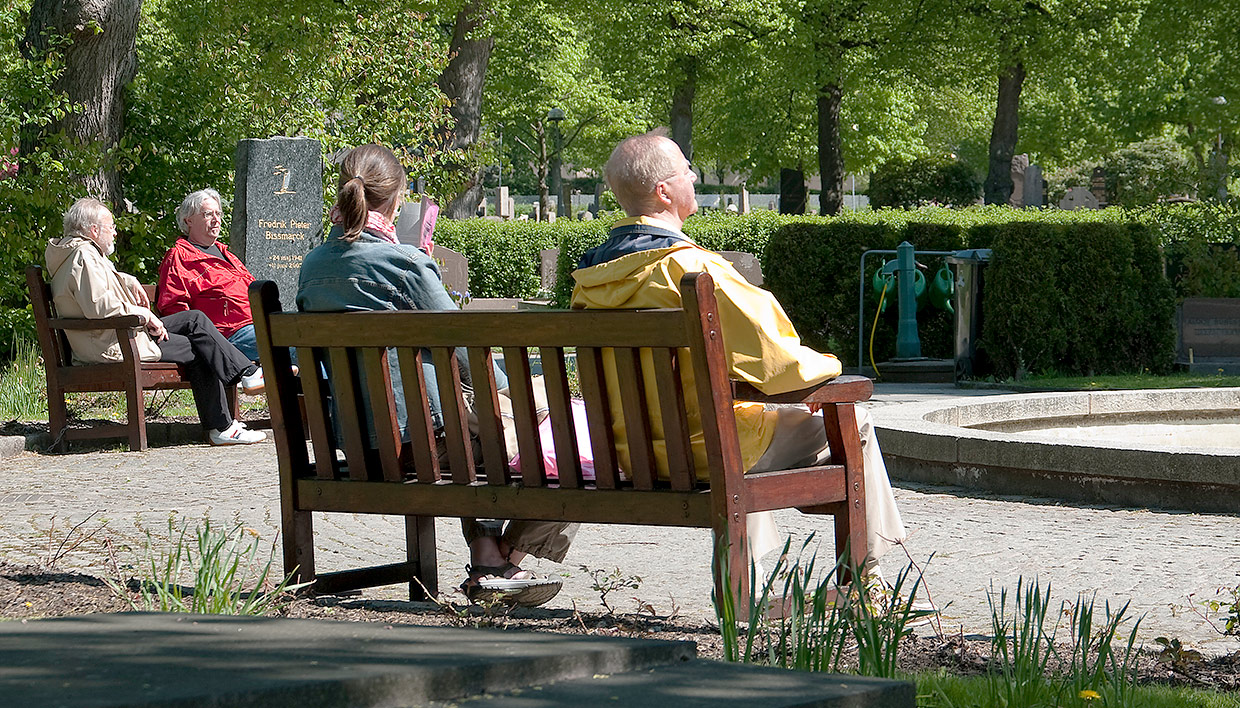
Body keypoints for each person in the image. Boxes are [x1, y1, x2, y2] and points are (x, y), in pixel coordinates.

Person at [570, 132, 906, 576]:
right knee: (853, 419)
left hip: (630, 453)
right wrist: (831, 368)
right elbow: (779, 361)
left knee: (736, 420)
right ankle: (868, 576)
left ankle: (751, 578)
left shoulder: (590, 281)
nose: (693, 177)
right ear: (664, 191)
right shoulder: (694, 269)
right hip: (707, 452)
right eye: (686, 170)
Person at [297, 144, 575, 607]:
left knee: (474, 432)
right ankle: (504, 560)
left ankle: (488, 556)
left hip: (350, 444)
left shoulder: (312, 267)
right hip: (418, 448)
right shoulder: (405, 264)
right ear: (397, 200)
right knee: (558, 440)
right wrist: (518, 390)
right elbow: (466, 354)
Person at [45, 198, 266, 446]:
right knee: (199, 342)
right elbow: (99, 306)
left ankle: (238, 396)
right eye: (111, 227)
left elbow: (96, 290)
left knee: (195, 324)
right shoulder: (84, 256)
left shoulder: (79, 254)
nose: (115, 232)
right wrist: (146, 314)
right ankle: (231, 410)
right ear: (94, 230)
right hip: (112, 343)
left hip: (114, 335)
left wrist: (127, 280)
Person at [157, 189, 260, 362]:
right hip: (227, 335)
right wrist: (203, 343)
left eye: (218, 214)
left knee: (304, 334)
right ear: (188, 220)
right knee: (299, 344)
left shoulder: (227, 254)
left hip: (257, 325)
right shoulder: (179, 256)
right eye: (208, 214)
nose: (216, 220)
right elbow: (174, 308)